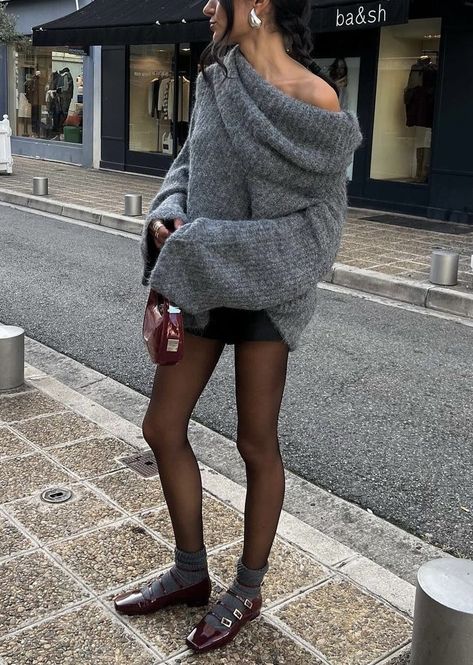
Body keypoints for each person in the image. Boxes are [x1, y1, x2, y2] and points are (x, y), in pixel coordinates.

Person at [113, 0, 363, 654]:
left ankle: (246, 588)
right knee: (160, 427)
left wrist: (205, 243)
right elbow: (186, 170)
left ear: (256, 3)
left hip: (267, 292)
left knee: (256, 444)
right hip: (202, 281)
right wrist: (167, 218)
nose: (204, 6)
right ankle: (190, 572)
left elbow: (318, 234)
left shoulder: (316, 101)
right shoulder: (217, 76)